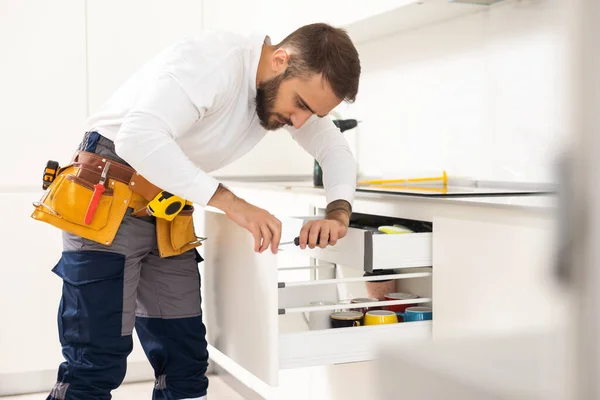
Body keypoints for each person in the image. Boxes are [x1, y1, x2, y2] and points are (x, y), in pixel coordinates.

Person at [40, 22, 360, 399]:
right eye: (301, 104)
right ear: (280, 60)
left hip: (166, 207)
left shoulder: (281, 93)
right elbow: (138, 137)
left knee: (185, 365)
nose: (299, 121)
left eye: (313, 114)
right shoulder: (215, 61)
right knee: (95, 362)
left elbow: (334, 151)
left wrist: (338, 212)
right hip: (109, 190)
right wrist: (234, 205)